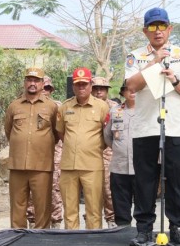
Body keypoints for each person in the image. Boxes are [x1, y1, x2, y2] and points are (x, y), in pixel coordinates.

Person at [124, 8, 180, 246]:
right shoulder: (135, 56)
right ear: (145, 31)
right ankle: (144, 229)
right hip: (145, 127)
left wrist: (175, 79)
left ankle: (178, 228)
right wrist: (154, 63)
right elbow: (131, 87)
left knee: (177, 180)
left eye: (162, 26)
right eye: (152, 27)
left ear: (170, 28)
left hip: (175, 126)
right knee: (145, 180)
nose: (158, 32)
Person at [4, 67, 60, 229]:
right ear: (24, 83)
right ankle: (17, 238)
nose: (32, 83)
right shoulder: (14, 106)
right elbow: (9, 131)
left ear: (43, 84)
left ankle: (41, 240)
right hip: (17, 165)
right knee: (17, 206)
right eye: (29, 80)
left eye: (36, 80)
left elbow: (56, 134)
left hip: (42, 165)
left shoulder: (51, 107)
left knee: (42, 206)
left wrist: (40, 144)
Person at [56, 67, 111, 230]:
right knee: (70, 210)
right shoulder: (65, 107)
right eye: (78, 84)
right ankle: (72, 243)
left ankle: (93, 244)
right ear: (73, 86)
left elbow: (107, 136)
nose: (81, 87)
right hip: (69, 166)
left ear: (91, 86)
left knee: (94, 209)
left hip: (92, 166)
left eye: (84, 84)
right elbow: (61, 133)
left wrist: (90, 148)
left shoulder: (102, 107)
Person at [103, 81, 137, 227]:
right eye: (128, 90)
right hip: (119, 166)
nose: (132, 92)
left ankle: (143, 231)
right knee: (120, 202)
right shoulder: (115, 111)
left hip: (141, 166)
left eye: (136, 89)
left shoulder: (148, 111)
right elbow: (107, 137)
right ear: (122, 93)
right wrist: (119, 148)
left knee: (144, 202)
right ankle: (123, 229)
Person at [92, 76, 120, 228]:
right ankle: (92, 220)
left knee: (108, 188)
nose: (98, 92)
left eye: (101, 89)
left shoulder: (115, 107)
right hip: (90, 151)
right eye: (95, 89)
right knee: (91, 189)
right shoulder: (87, 105)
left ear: (107, 90)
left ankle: (111, 219)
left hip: (109, 151)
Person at [41, 75, 64, 228]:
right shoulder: (25, 105)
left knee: (55, 189)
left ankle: (56, 223)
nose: (44, 91)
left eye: (48, 88)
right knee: (33, 192)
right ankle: (34, 222)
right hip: (36, 155)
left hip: (55, 154)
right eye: (43, 87)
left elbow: (62, 132)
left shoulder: (58, 106)